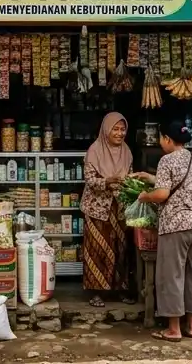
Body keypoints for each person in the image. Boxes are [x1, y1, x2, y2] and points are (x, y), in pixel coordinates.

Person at [133, 120, 192, 343]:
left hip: (176, 226)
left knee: (171, 276)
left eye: (160, 137)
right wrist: (150, 177)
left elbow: (162, 195)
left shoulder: (166, 160)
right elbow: (180, 184)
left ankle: (174, 329)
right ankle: (191, 326)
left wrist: (145, 196)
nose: (159, 142)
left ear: (167, 139)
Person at [82, 111, 135, 307]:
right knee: (98, 249)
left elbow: (129, 176)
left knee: (120, 248)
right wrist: (107, 181)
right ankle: (97, 292)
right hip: (97, 209)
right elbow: (89, 179)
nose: (120, 133)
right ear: (106, 130)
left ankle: (120, 289)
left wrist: (130, 183)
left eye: (123, 130)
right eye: (116, 129)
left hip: (119, 208)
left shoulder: (127, 151)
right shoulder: (94, 150)